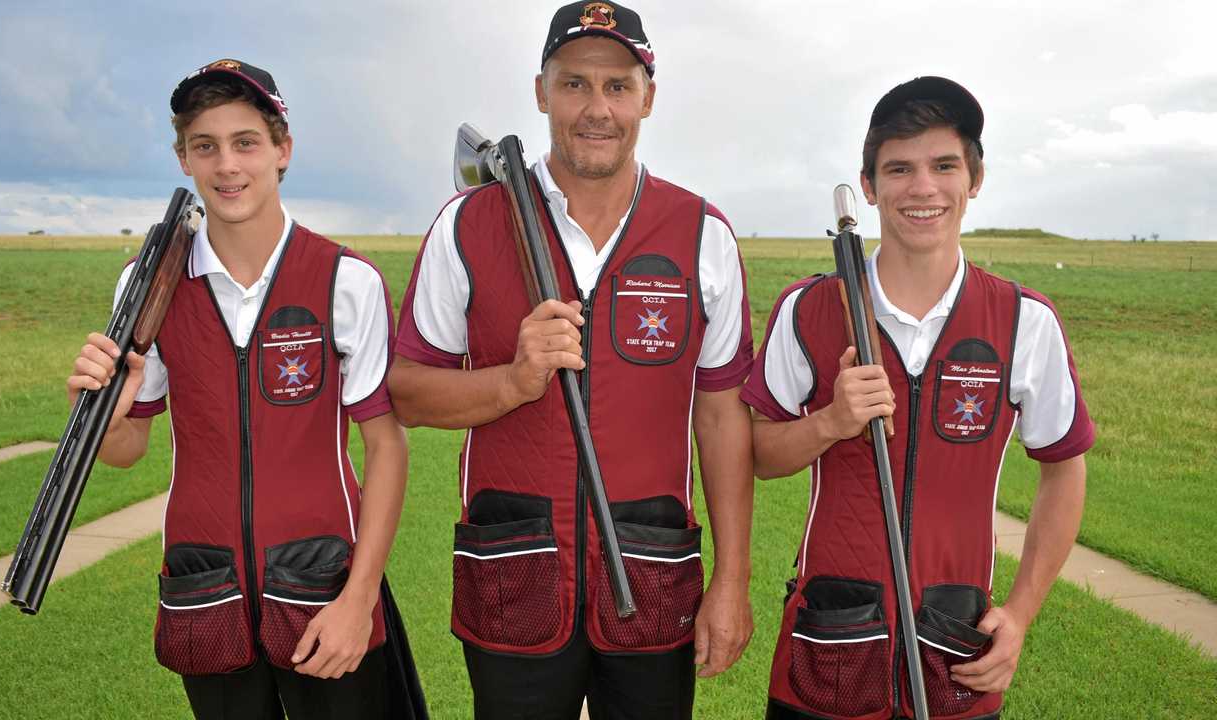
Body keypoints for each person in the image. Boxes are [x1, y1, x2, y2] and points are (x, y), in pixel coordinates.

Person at [388, 2, 755, 717]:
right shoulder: (468, 223)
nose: (597, 109)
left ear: (648, 96)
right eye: (574, 84)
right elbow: (405, 390)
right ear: (540, 91)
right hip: (516, 576)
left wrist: (733, 579)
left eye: (618, 86)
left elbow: (720, 417)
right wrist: (512, 382)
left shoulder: (701, 233)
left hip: (651, 575)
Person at [65, 59, 411, 719]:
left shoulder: (346, 279)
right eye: (206, 146)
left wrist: (359, 599)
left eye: (245, 142)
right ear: (183, 160)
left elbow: (386, 446)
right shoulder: (148, 284)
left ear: (282, 149)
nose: (227, 165)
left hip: (321, 593)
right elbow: (125, 448)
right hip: (206, 594)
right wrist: (101, 408)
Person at [742, 76, 1094, 720]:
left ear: (974, 178)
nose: (922, 188)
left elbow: (1064, 468)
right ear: (869, 186)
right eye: (899, 168)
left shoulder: (1024, 321)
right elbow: (758, 454)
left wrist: (1018, 613)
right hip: (831, 638)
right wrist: (831, 420)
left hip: (954, 642)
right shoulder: (811, 309)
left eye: (943, 166)